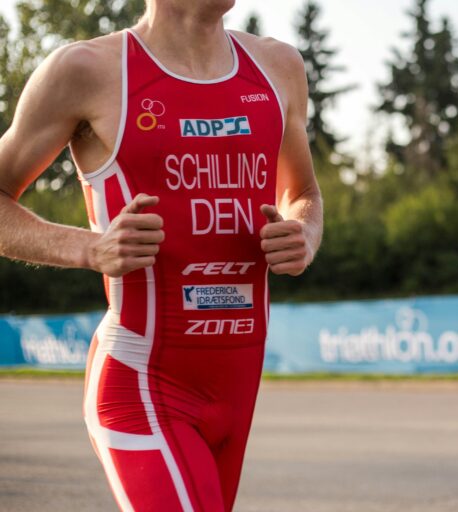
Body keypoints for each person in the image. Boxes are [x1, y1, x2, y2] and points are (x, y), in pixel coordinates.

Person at [0, 0, 322, 510]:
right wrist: (89, 247)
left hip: (239, 385)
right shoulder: (85, 69)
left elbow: (303, 191)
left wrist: (304, 231)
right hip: (142, 383)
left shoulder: (279, 65)